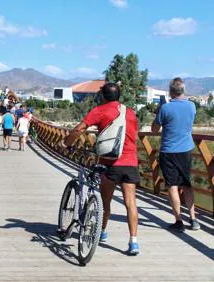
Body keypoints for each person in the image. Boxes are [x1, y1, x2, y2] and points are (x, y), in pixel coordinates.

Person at [63, 82, 140, 255]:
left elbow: (79, 129)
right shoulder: (130, 112)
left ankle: (102, 231)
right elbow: (133, 134)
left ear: (103, 96)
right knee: (131, 203)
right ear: (119, 96)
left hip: (109, 164)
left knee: (105, 203)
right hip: (131, 162)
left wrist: (66, 142)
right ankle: (134, 242)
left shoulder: (99, 110)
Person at [151, 77, 200, 231]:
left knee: (172, 186)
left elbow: (154, 130)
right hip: (186, 150)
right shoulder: (192, 106)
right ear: (183, 91)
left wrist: (159, 110)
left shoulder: (166, 108)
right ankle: (194, 220)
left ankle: (179, 222)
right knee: (187, 185)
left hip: (169, 151)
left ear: (171, 92)